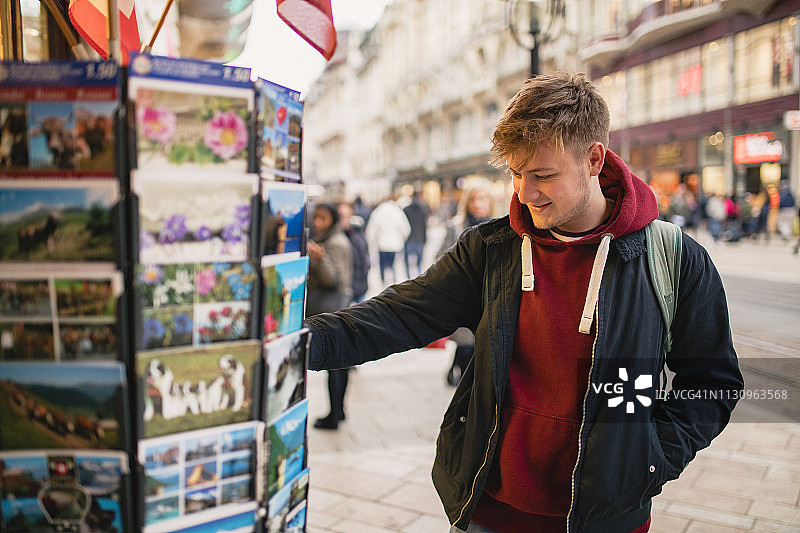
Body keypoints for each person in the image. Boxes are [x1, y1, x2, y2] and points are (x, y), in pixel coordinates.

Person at [304, 73, 742, 532]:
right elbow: (397, 316)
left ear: (593, 159)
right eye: (516, 172)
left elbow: (712, 382)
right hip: (490, 511)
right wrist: (294, 345)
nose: (525, 192)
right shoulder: (492, 249)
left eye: (543, 175)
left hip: (607, 518)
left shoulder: (673, 258)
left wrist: (649, 461)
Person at [438, 182, 495, 387]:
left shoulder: (500, 227)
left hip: (490, 298)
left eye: (482, 199)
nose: (478, 204)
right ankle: (464, 385)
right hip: (464, 298)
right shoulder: (457, 227)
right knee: (465, 345)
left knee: (480, 347)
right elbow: (441, 260)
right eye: (473, 199)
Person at [305, 203, 353, 430]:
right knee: (338, 365)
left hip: (333, 312)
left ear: (332, 220)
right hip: (333, 311)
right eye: (316, 217)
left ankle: (334, 414)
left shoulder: (335, 242)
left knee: (336, 365)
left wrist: (318, 259)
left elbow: (333, 280)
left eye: (323, 218)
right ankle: (338, 411)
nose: (317, 222)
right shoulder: (329, 239)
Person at [365, 193, 411, 285]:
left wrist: (370, 242)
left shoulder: (378, 211)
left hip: (382, 244)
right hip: (395, 244)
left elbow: (371, 230)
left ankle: (383, 281)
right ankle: (393, 281)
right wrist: (403, 240)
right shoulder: (397, 211)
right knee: (393, 263)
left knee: (382, 263)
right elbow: (406, 228)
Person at [338, 201, 371, 303]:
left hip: (360, 287)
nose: (343, 220)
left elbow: (366, 258)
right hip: (344, 291)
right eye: (340, 216)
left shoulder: (358, 234)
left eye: (345, 216)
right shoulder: (336, 238)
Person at [403, 190, 430, 278]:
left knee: (407, 263)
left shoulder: (406, 210)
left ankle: (408, 279)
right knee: (419, 263)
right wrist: (425, 239)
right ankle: (419, 278)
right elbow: (424, 226)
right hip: (419, 239)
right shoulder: (422, 210)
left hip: (409, 239)